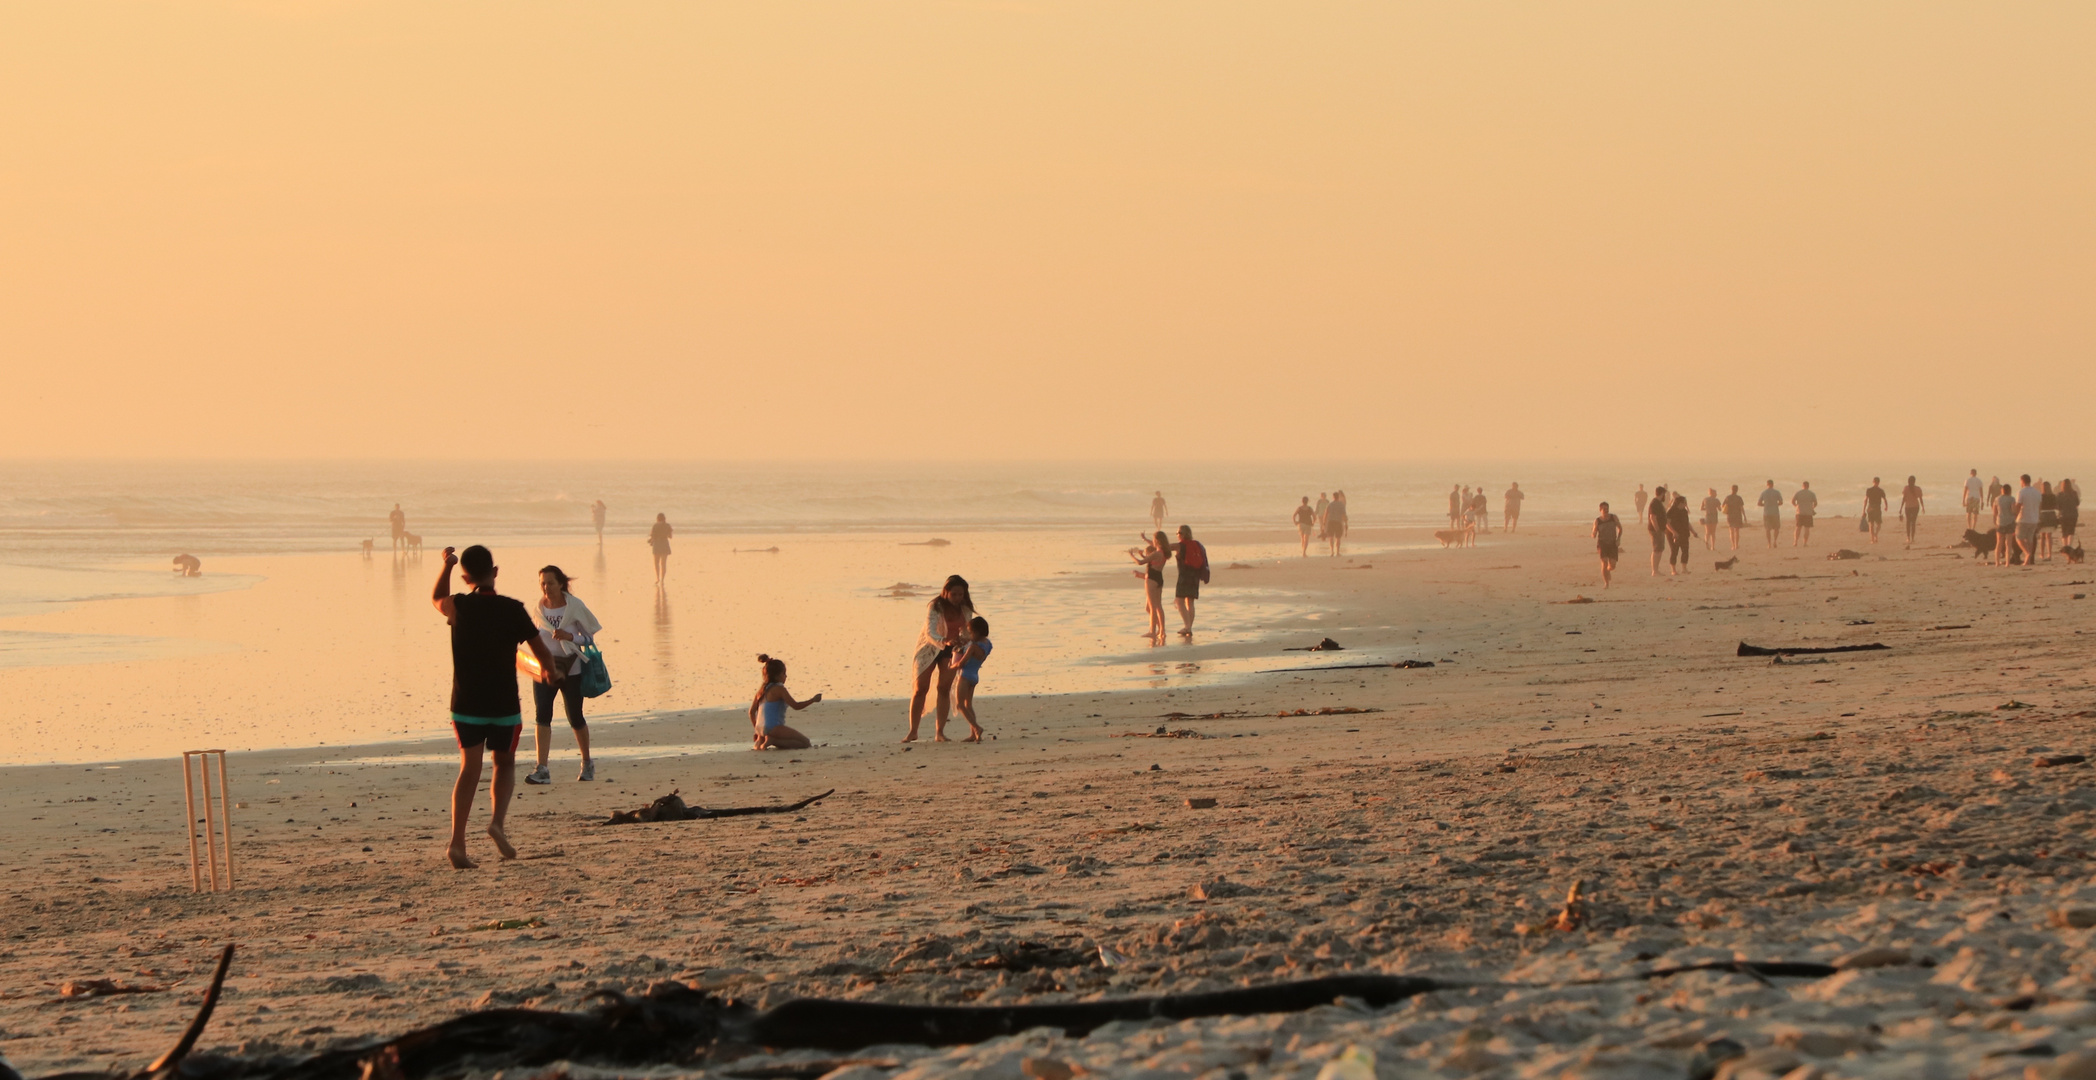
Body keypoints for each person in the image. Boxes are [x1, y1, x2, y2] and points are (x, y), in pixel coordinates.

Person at [432, 545, 560, 870]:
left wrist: (446, 566)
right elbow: (538, 645)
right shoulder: (512, 609)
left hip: (465, 704)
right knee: (504, 764)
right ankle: (496, 824)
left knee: (469, 769)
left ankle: (457, 843)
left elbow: (436, 598)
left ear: (466, 577)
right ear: (496, 572)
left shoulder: (458, 606)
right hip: (503, 704)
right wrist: (547, 668)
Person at [523, 565, 601, 785]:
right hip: (544, 669)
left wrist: (570, 636)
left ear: (560, 583)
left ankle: (587, 763)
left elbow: (589, 639)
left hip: (572, 668)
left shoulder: (574, 606)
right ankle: (542, 768)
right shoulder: (538, 609)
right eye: (542, 583)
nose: (545, 587)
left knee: (575, 716)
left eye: (550, 583)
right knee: (542, 715)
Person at [906, 575, 974, 742]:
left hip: (952, 651)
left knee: (944, 688)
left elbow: (967, 630)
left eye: (961, 594)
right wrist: (944, 640)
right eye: (954, 594)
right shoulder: (935, 606)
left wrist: (964, 641)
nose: (958, 598)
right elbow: (930, 633)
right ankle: (913, 731)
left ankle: (940, 732)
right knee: (920, 688)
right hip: (929, 648)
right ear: (946, 592)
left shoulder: (965, 608)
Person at [750, 654, 819, 750]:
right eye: (784, 674)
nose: (786, 676)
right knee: (805, 743)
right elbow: (796, 706)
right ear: (777, 676)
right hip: (773, 727)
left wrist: (757, 731)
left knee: (760, 745)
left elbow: (751, 712)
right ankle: (773, 740)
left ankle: (763, 741)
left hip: (760, 728)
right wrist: (812, 700)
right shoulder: (779, 689)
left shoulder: (761, 691)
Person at [951, 616, 993, 742]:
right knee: (968, 704)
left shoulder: (972, 647)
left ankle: (976, 727)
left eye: (970, 632)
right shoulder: (987, 644)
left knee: (960, 705)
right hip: (975, 675)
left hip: (965, 676)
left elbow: (961, 664)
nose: (969, 635)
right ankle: (974, 734)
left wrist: (951, 666)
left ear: (976, 632)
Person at [1128, 533, 1170, 644]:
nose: (1153, 541)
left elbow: (1140, 562)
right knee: (1158, 606)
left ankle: (1152, 630)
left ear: (1157, 541)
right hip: (1159, 578)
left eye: (1153, 540)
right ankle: (1162, 630)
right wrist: (1145, 540)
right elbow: (1150, 559)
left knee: (1152, 607)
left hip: (1151, 579)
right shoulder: (1164, 552)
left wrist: (1131, 555)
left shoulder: (1157, 553)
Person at [1172, 525, 1209, 635]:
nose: (1177, 535)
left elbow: (1164, 547)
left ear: (1182, 534)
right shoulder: (1196, 544)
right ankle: (1189, 627)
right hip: (1195, 576)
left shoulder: (1180, 545)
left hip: (1184, 577)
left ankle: (1187, 627)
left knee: (1179, 601)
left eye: (1178, 533)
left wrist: (1151, 542)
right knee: (1190, 603)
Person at [1592, 502, 1623, 589]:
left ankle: (1608, 570)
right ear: (1600, 510)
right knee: (1604, 562)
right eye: (1604, 509)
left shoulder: (1613, 517)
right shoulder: (1597, 521)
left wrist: (1618, 539)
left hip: (1613, 543)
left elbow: (1620, 528)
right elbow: (1594, 531)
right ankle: (1606, 583)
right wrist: (1593, 534)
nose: (1606, 510)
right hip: (1602, 544)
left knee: (1612, 565)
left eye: (1607, 509)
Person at [2017, 474, 2043, 568]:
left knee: (2019, 537)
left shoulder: (2022, 492)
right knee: (2029, 539)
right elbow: (2039, 506)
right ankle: (2028, 559)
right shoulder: (2037, 492)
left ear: (2023, 481)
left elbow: (2019, 505)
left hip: (2024, 518)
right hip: (2034, 519)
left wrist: (2015, 515)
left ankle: (2027, 553)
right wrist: (2038, 517)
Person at [1666, 493, 1694, 575]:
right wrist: (1674, 532)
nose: (1685, 504)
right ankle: (1673, 570)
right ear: (1680, 503)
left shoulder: (1684, 511)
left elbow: (1687, 523)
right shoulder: (1671, 511)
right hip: (1673, 534)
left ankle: (1684, 569)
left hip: (1684, 533)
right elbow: (1667, 523)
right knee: (1674, 551)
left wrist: (1693, 531)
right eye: (1684, 502)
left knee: (1685, 550)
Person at [1995, 482, 2021, 566]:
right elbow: (2013, 511)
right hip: (2009, 522)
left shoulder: (1997, 499)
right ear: (2009, 490)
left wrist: (1996, 519)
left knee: (1999, 542)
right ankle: (2007, 563)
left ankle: (1997, 562)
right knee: (2008, 543)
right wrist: (2016, 513)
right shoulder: (2011, 499)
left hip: (2000, 521)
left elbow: (1995, 511)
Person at [1645, 485, 1669, 576]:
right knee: (1656, 549)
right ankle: (1654, 570)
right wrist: (1658, 529)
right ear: (1662, 494)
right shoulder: (1655, 503)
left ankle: (1656, 570)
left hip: (1660, 529)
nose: (1665, 497)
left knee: (1660, 549)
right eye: (1664, 494)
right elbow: (1652, 517)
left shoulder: (1658, 503)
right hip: (1655, 530)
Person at [1757, 481, 1784, 548]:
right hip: (1775, 512)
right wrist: (1775, 504)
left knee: (1767, 529)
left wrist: (1765, 505)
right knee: (1776, 528)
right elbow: (1781, 502)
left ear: (1767, 484)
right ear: (1773, 484)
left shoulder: (1764, 492)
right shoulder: (1777, 492)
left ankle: (1769, 543)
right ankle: (1775, 541)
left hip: (1767, 513)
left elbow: (1759, 503)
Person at [647, 513, 673, 585]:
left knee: (656, 563)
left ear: (657, 518)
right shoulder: (668, 526)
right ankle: (662, 579)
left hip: (657, 545)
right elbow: (670, 536)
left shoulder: (655, 525)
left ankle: (657, 578)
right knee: (663, 564)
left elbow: (653, 536)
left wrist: (650, 541)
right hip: (665, 544)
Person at [1900, 475, 1925, 547]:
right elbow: (1920, 499)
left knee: (1908, 522)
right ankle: (1912, 538)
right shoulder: (1918, 489)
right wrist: (1923, 507)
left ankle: (1908, 537)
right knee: (1913, 522)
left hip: (1908, 507)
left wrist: (1901, 508)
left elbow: (1904, 499)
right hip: (1915, 507)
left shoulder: (1906, 488)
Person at [1792, 481, 1818, 547]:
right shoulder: (1811, 493)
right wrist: (1811, 508)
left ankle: (1795, 542)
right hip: (1808, 513)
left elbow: (1792, 501)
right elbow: (1815, 503)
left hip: (1799, 512)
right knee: (1807, 529)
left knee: (1798, 528)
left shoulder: (1798, 493)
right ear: (1808, 486)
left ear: (1802, 486)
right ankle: (1805, 543)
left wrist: (1796, 506)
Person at [1863, 478, 1889, 543]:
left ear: (1873, 482)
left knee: (1871, 524)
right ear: (1878, 482)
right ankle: (1875, 535)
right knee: (1878, 524)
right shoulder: (1880, 490)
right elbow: (1885, 499)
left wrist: (1863, 510)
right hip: (1876, 507)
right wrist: (1886, 506)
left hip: (1871, 507)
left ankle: (1872, 539)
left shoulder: (1869, 490)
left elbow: (1865, 500)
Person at [2039, 480, 2059, 561]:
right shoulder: (2053, 496)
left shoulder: (2041, 496)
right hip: (2051, 515)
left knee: (2042, 536)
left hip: (2043, 515)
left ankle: (2042, 554)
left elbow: (2039, 506)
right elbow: (2056, 506)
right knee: (2049, 536)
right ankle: (2049, 554)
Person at [1722, 485, 1746, 550]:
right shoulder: (1739, 498)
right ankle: (1736, 545)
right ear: (1737, 490)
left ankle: (1732, 546)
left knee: (1731, 531)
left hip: (1730, 515)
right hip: (1737, 515)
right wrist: (1744, 516)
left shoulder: (1728, 497)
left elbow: (1723, 506)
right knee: (1737, 531)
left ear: (1731, 489)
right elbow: (1741, 508)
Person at [2061, 479, 2081, 547]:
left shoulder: (2061, 494)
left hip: (2063, 514)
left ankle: (2065, 546)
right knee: (2071, 530)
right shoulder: (2074, 493)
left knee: (2064, 531)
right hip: (2073, 514)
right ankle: (2069, 545)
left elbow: (2057, 504)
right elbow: (2077, 503)